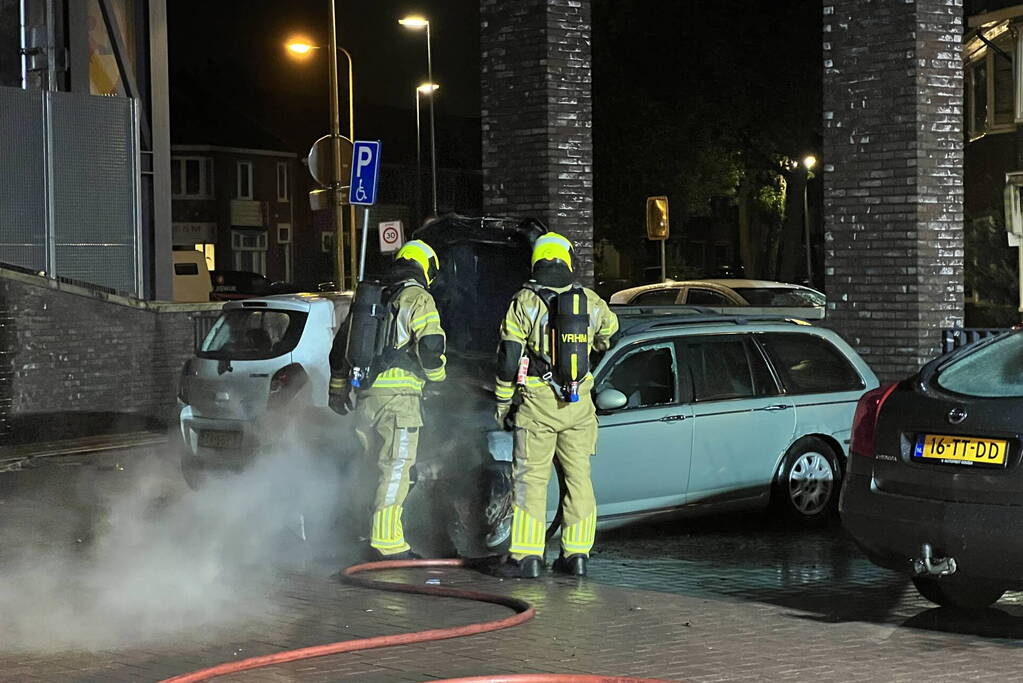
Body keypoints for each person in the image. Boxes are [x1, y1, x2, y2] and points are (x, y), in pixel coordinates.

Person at [492, 232, 619, 577]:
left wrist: (504, 403)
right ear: (567, 260)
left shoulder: (525, 301)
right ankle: (577, 555)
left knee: (531, 481)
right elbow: (609, 335)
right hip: (579, 405)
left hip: (537, 404)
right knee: (579, 479)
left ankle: (527, 557)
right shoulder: (590, 300)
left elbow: (508, 358)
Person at [329, 240, 447, 560]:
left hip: (365, 397)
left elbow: (340, 348)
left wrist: (337, 390)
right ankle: (387, 545)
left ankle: (365, 532)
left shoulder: (372, 297)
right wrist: (438, 379)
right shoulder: (417, 297)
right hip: (400, 400)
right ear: (426, 267)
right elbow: (432, 345)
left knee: (370, 467)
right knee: (396, 469)